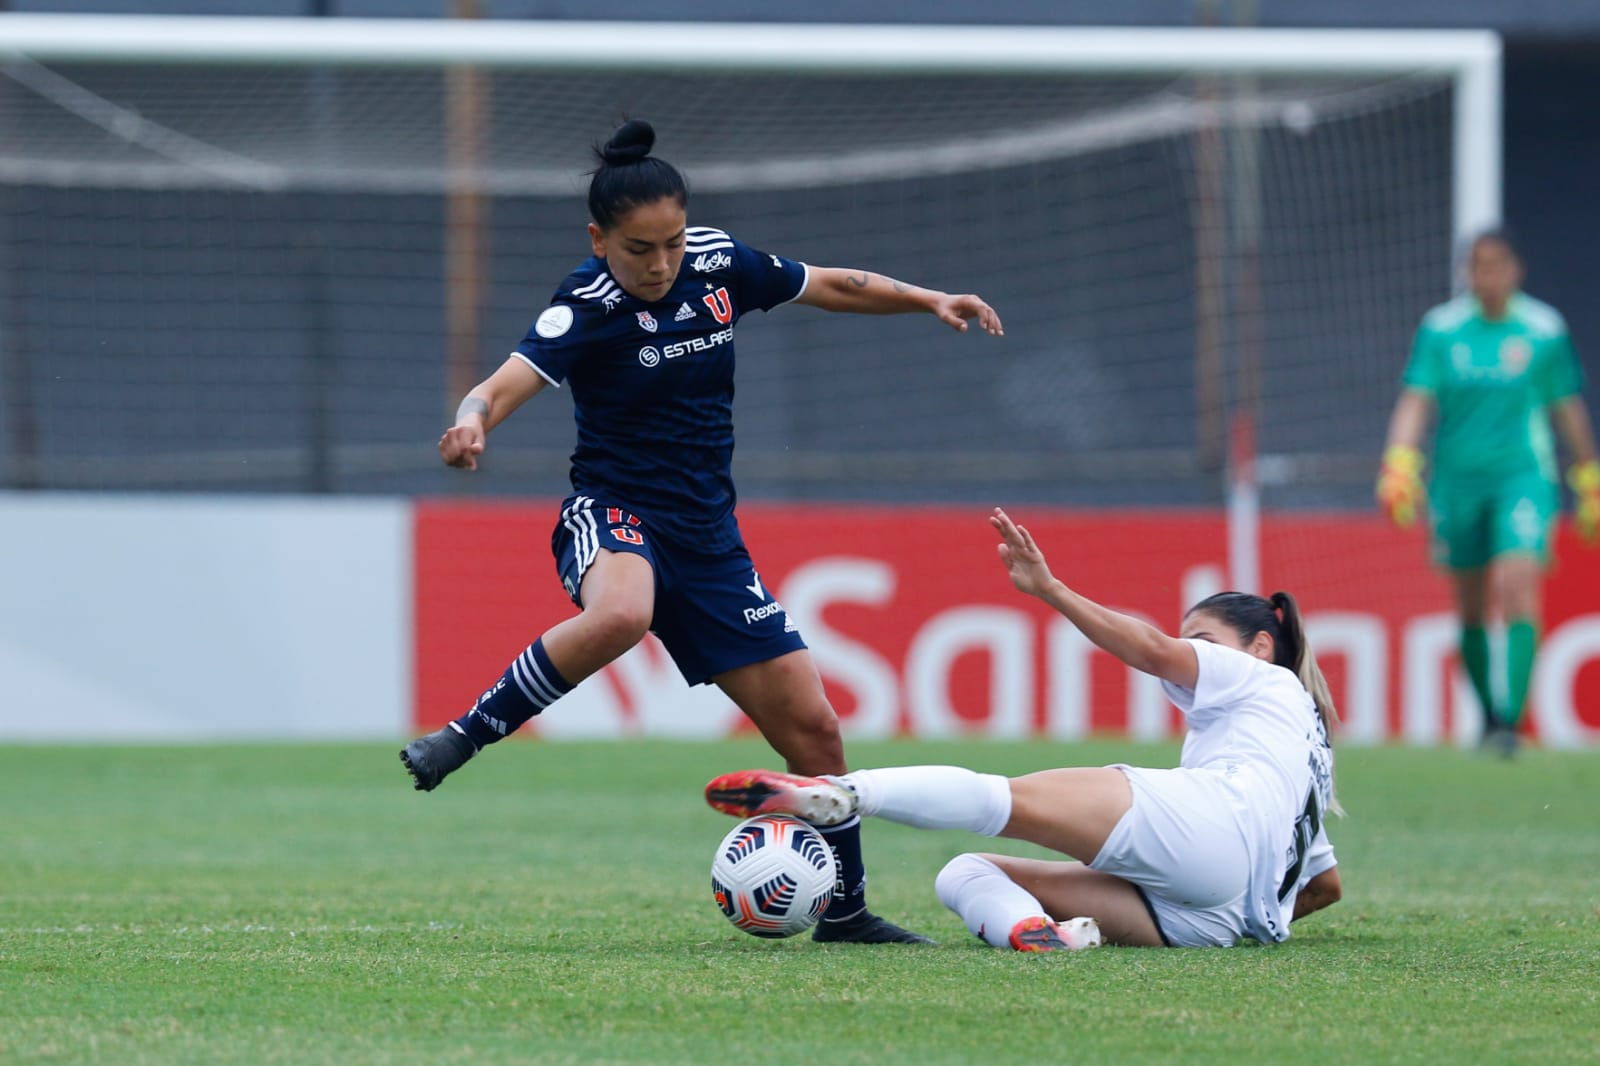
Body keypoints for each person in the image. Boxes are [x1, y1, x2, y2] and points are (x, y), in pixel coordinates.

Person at [399, 118, 1003, 945]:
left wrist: (926, 296)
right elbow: (504, 382)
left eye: (672, 242)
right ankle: (463, 737)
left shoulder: (719, 264)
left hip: (709, 540)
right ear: (599, 239)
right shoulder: (587, 304)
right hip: (614, 512)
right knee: (622, 614)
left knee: (815, 732)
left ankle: (848, 912)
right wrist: (471, 422)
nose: (660, 264)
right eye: (640, 247)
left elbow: (829, 283)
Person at [705, 507, 1343, 951]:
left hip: (1214, 832)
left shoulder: (1265, 679)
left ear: (1261, 646)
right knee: (967, 872)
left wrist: (1050, 589)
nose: (1187, 650)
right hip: (1222, 920)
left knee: (999, 799)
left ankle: (848, 794)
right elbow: (1324, 888)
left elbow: (1149, 650)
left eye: (1200, 640)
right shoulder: (1304, 750)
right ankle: (1035, 936)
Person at [1376, 228, 1599, 756]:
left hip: (1522, 477)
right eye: (1478, 266)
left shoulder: (1542, 329)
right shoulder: (1442, 330)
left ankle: (1509, 723)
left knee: (1518, 581)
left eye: (1498, 264)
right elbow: (1416, 399)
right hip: (1457, 483)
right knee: (1471, 605)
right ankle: (1488, 715)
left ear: (1515, 269)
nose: (1489, 276)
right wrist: (1400, 462)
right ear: (1466, 274)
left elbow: (1565, 406)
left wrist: (1589, 475)